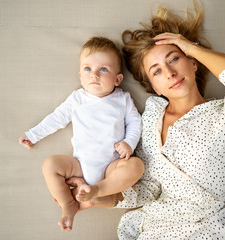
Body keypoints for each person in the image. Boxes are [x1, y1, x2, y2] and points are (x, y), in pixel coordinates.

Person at [67, 2, 225, 239]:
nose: (169, 73)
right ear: (154, 87)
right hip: (153, 227)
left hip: (205, 228)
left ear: (192, 63)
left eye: (174, 59)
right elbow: (147, 189)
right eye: (156, 71)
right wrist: (96, 198)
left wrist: (189, 46)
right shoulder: (150, 117)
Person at [18, 37, 144, 232]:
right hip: (79, 165)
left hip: (111, 166)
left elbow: (135, 122)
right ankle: (68, 204)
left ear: (118, 79)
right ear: (80, 75)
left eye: (103, 69)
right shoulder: (77, 99)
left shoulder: (123, 99)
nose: (94, 74)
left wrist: (129, 142)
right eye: (87, 69)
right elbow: (57, 118)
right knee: (50, 164)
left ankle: (96, 191)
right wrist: (33, 135)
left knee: (136, 165)